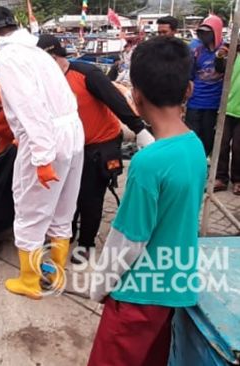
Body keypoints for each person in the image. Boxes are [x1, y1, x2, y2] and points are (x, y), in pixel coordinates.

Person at [88, 36, 207, 366]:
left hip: (137, 296)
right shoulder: (195, 147)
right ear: (189, 91)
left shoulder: (147, 162)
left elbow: (129, 240)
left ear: (135, 97)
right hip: (173, 288)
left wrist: (100, 285)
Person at [0, 6, 85, 299]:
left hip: (45, 138)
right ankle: (56, 270)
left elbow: (30, 108)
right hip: (71, 133)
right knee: (63, 208)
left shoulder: (8, 57)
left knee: (29, 210)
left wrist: (40, 156)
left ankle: (30, 281)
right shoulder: (38, 52)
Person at [36, 34, 155, 264]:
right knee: (65, 194)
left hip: (100, 143)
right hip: (69, 147)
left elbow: (114, 100)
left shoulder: (86, 74)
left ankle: (86, 243)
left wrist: (139, 129)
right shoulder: (44, 83)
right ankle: (66, 234)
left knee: (90, 197)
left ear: (53, 57)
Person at [186, 15, 225, 155]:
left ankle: (206, 161)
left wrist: (220, 57)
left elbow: (225, 71)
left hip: (214, 102)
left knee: (209, 137)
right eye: (201, 32)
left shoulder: (225, 50)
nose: (204, 36)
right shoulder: (196, 51)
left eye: (207, 32)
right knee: (192, 136)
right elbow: (190, 75)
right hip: (195, 100)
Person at [214, 44, 240, 193]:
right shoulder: (234, 55)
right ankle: (221, 177)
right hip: (227, 108)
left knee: (238, 147)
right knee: (222, 145)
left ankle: (237, 180)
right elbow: (219, 68)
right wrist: (219, 56)